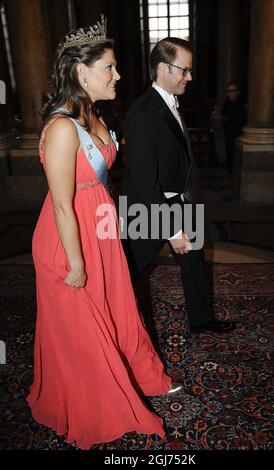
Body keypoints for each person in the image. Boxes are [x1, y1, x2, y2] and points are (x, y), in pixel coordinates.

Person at [26, 17, 182, 451]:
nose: (118, 75)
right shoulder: (61, 128)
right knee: (85, 323)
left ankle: (141, 375)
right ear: (83, 72)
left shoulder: (92, 113)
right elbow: (61, 203)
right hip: (68, 236)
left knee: (118, 306)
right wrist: (76, 263)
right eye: (110, 67)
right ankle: (99, 402)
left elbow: (97, 177)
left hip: (101, 226)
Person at [121, 37, 236, 334]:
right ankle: (109, 328)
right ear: (163, 68)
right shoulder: (143, 115)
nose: (190, 77)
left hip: (180, 200)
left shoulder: (169, 103)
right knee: (128, 271)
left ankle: (202, 319)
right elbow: (145, 182)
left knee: (195, 260)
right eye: (184, 70)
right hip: (147, 207)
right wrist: (171, 230)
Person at [221, 81, 246, 172]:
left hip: (237, 134)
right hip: (228, 131)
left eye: (232, 90)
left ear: (237, 92)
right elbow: (223, 115)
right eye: (228, 90)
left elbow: (240, 121)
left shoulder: (240, 104)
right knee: (229, 151)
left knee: (234, 154)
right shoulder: (227, 102)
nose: (229, 92)